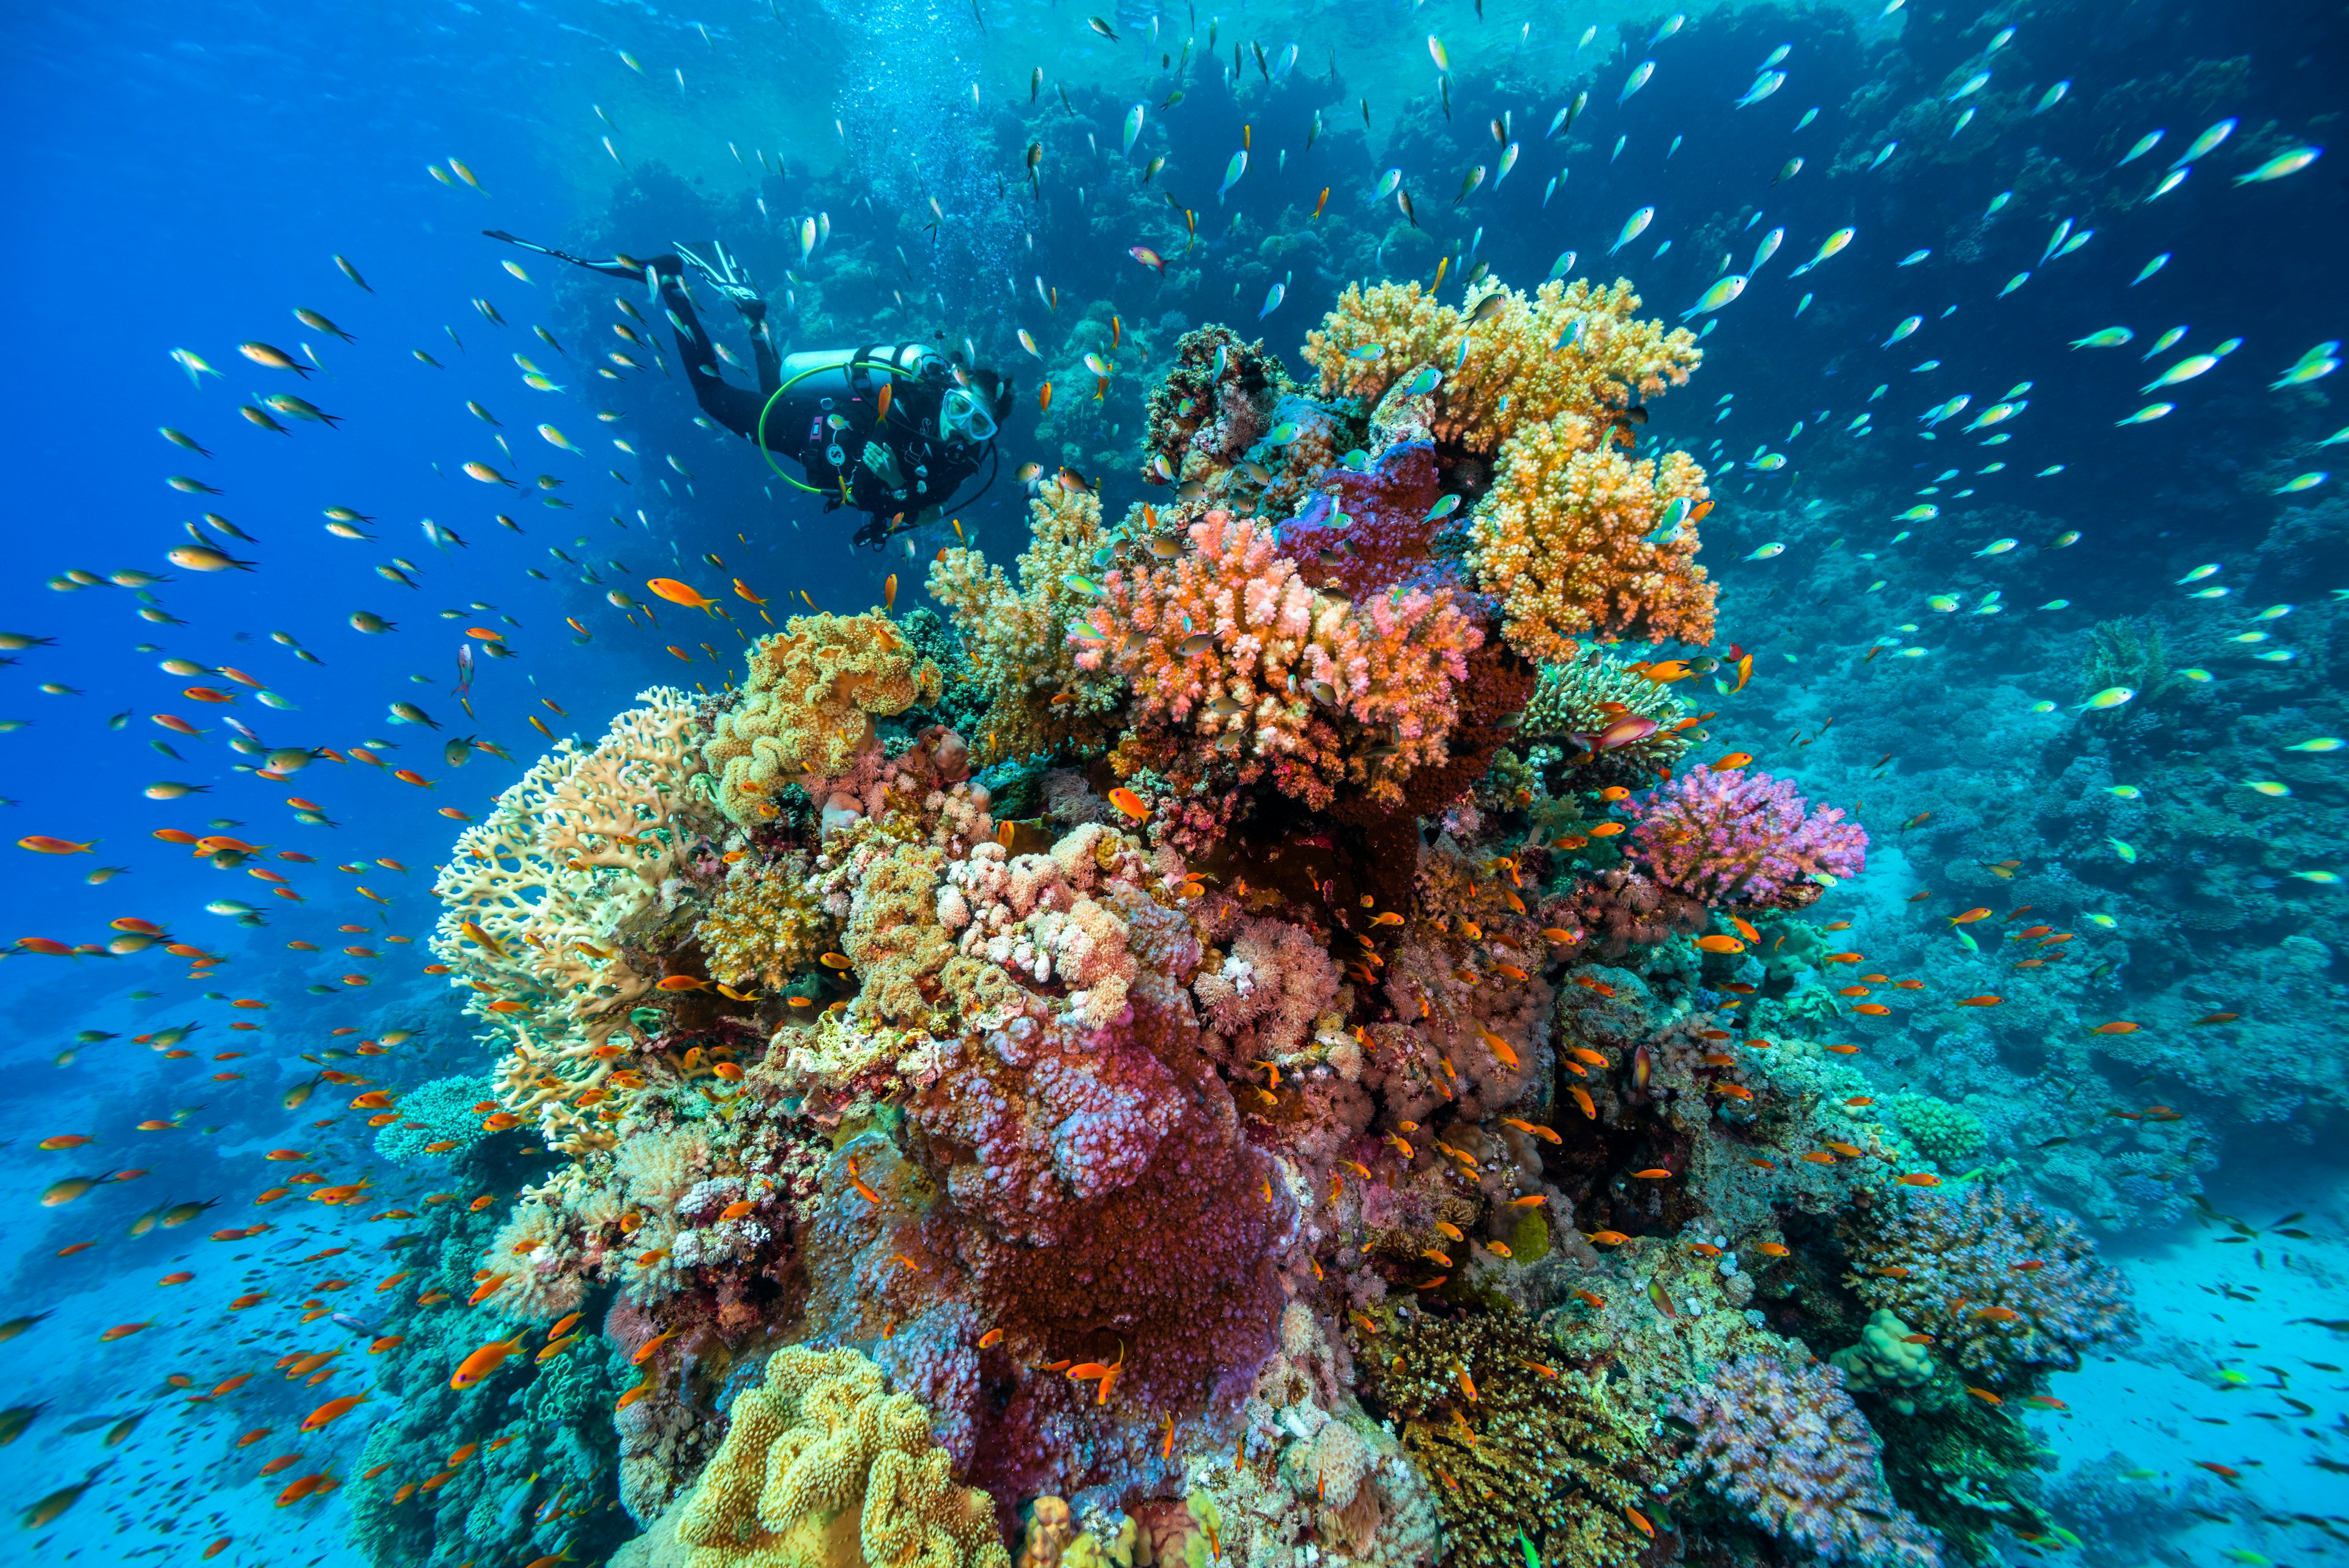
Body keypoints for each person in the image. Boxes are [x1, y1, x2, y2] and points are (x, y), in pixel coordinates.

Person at [486, 231, 1010, 549]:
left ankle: (755, 318)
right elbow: (880, 481)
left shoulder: (961, 464)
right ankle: (670, 286)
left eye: (978, 425)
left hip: (813, 430)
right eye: (963, 409)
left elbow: (922, 509)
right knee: (712, 398)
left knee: (773, 386)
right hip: (819, 432)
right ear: (951, 392)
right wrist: (893, 484)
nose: (962, 427)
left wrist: (903, 505)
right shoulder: (915, 395)